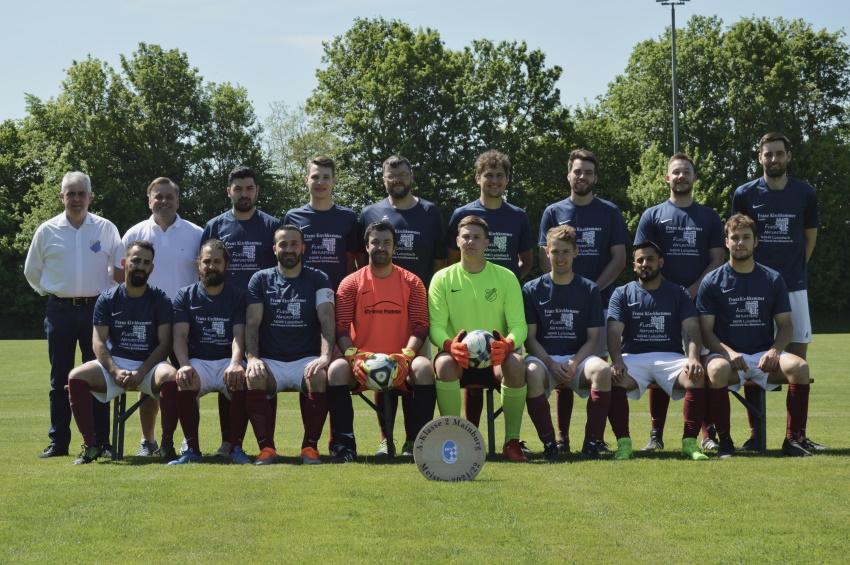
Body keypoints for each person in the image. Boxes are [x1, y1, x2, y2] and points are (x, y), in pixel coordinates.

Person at [731, 132, 825, 451]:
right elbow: (737, 237)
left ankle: (794, 436)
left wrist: (792, 272)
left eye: (779, 154)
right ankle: (756, 436)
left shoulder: (805, 193)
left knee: (796, 364)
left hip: (795, 288)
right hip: (755, 290)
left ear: (789, 156)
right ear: (760, 158)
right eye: (768, 154)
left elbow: (808, 238)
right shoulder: (744, 193)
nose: (774, 159)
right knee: (757, 357)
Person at [697, 214, 817, 457]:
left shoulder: (772, 278)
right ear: (726, 242)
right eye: (735, 238)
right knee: (715, 371)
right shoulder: (712, 281)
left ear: (756, 242)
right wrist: (728, 353)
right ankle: (726, 442)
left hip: (764, 355)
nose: (740, 243)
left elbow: (785, 325)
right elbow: (705, 331)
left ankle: (792, 440)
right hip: (727, 355)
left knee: (801, 368)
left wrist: (774, 351)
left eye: (746, 238)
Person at [24, 171, 124, 458]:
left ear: (90, 197)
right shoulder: (47, 230)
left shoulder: (106, 228)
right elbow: (32, 270)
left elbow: (117, 271)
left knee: (99, 376)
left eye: (82, 194)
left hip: (97, 310)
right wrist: (52, 291)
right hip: (60, 311)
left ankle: (102, 442)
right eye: (71, 194)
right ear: (62, 197)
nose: (77, 199)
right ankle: (59, 442)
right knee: (60, 379)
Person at [537, 149, 627, 454]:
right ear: (569, 175)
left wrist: (589, 290)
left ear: (595, 177)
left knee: (593, 369)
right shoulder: (553, 211)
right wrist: (566, 291)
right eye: (578, 171)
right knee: (563, 361)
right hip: (559, 301)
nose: (583, 177)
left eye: (588, 172)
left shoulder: (609, 211)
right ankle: (561, 438)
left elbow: (619, 257)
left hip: (597, 301)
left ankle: (596, 438)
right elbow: (542, 253)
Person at [634, 154, 725, 452]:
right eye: (676, 172)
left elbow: (717, 259)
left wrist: (692, 290)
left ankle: (707, 433)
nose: (681, 176)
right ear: (667, 178)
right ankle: (655, 435)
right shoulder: (652, 215)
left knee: (699, 366)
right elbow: (643, 259)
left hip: (701, 303)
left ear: (694, 178)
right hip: (658, 305)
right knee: (659, 361)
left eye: (687, 171)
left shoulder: (709, 216)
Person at [357, 155, 446, 456]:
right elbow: (362, 261)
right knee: (382, 366)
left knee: (415, 370)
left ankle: (414, 440)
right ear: (383, 178)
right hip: (379, 306)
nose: (397, 180)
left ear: (411, 176)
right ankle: (386, 439)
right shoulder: (370, 212)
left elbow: (439, 261)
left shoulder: (430, 212)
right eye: (391, 175)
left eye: (402, 174)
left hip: (416, 306)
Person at [325, 221, 436, 463]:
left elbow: (421, 325)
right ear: (366, 246)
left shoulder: (412, 282)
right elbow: (341, 326)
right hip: (361, 363)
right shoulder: (351, 282)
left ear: (395, 247)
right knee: (335, 370)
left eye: (386, 242)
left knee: (425, 368)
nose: (381, 247)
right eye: (375, 242)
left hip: (402, 359)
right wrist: (354, 357)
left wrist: (407, 356)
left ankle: (419, 443)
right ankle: (346, 447)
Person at [66, 241, 178, 464]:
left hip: (150, 366)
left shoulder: (160, 299)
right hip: (115, 364)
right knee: (76, 376)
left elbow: (165, 343)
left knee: (171, 376)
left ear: (151, 268)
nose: (140, 266)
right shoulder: (107, 299)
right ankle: (90, 446)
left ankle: (166, 445)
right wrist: (115, 371)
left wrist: (142, 371)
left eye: (146, 262)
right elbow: (98, 342)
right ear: (125, 263)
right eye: (136, 260)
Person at [445, 150, 533, 432]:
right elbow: (450, 257)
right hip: (466, 301)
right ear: (477, 178)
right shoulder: (462, 214)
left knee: (506, 364)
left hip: (501, 304)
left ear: (507, 180)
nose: (494, 180)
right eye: (488, 175)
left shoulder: (518, 216)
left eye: (499, 175)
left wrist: (503, 283)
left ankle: (512, 439)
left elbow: (527, 259)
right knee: (470, 369)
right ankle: (469, 435)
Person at [429, 215, 530, 461]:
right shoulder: (442, 278)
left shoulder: (506, 277)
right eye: (466, 237)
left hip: (496, 360)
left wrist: (507, 344)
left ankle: (512, 442)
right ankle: (452, 439)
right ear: (457, 241)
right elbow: (436, 327)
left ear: (487, 243)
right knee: (442, 363)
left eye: (476, 237)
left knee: (517, 363)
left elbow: (519, 326)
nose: (470, 241)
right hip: (458, 360)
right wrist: (449, 345)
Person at [201, 165, 283, 458]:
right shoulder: (214, 226)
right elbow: (205, 270)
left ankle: (267, 442)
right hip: (226, 313)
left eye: (249, 188)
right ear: (229, 191)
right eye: (238, 188)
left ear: (257, 191)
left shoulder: (273, 225)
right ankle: (229, 441)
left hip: (265, 314)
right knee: (231, 373)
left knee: (264, 373)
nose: (244, 193)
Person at [606, 241, 713, 461]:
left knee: (696, 375)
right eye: (640, 260)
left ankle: (690, 443)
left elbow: (692, 329)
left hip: (671, 357)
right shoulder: (622, 293)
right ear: (634, 265)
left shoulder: (678, 293)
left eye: (651, 259)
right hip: (633, 358)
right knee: (611, 377)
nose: (645, 263)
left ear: (661, 262)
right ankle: (624, 444)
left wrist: (693, 358)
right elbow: (614, 332)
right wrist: (616, 360)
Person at [122, 177, 203, 457]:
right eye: (159, 196)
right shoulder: (134, 233)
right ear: (149, 201)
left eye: (170, 197)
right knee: (149, 381)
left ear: (178, 201)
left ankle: (186, 439)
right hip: (147, 319)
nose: (164, 201)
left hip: (187, 319)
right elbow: (123, 279)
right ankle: (148, 440)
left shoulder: (196, 233)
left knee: (188, 377)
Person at [244, 225, 335, 465]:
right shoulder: (259, 279)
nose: (289, 249)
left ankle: (310, 448)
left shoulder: (319, 278)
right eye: (283, 244)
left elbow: (327, 320)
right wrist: (252, 358)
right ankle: (266, 449)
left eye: (294, 244)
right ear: (274, 249)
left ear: (303, 248)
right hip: (271, 359)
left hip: (306, 358)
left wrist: (325, 357)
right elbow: (252, 324)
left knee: (319, 376)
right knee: (253, 376)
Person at [523, 225, 612, 461]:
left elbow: (594, 338)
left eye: (565, 252)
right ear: (546, 252)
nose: (560, 258)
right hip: (544, 359)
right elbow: (530, 339)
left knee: (603, 370)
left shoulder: (590, 289)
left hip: (578, 360)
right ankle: (550, 445)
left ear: (575, 252)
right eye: (555, 252)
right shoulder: (531, 289)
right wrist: (551, 364)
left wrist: (574, 362)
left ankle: (591, 444)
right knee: (530, 372)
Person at [170, 239, 250, 465]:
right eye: (207, 261)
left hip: (227, 359)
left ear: (226, 265)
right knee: (184, 380)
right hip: (199, 361)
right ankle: (192, 450)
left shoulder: (238, 296)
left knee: (241, 378)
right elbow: (179, 337)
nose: (211, 266)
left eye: (217, 261)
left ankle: (235, 448)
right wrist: (184, 365)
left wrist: (236, 363)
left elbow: (238, 335)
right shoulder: (184, 295)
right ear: (198, 264)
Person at [284, 156, 358, 291]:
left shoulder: (348, 217)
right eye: (315, 177)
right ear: (306, 180)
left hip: (338, 292)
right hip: (301, 292)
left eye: (326, 177)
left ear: (334, 181)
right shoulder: (293, 217)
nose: (320, 182)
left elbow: (351, 258)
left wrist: (345, 289)